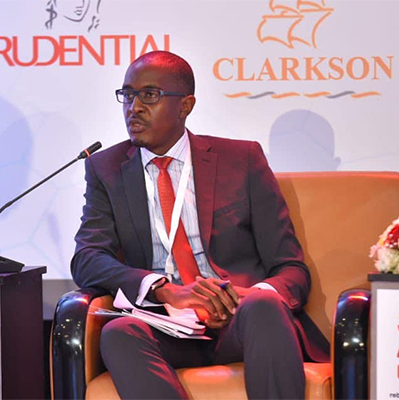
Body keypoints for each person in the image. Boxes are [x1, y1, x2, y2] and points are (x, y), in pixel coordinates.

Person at [71, 50, 329, 399]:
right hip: (168, 324)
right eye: (127, 95)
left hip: (241, 321)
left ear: (186, 105)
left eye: (150, 95)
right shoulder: (106, 168)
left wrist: (243, 297)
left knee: (264, 306)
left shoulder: (242, 160)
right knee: (119, 332)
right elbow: (87, 259)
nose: (134, 108)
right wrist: (163, 289)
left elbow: (292, 269)